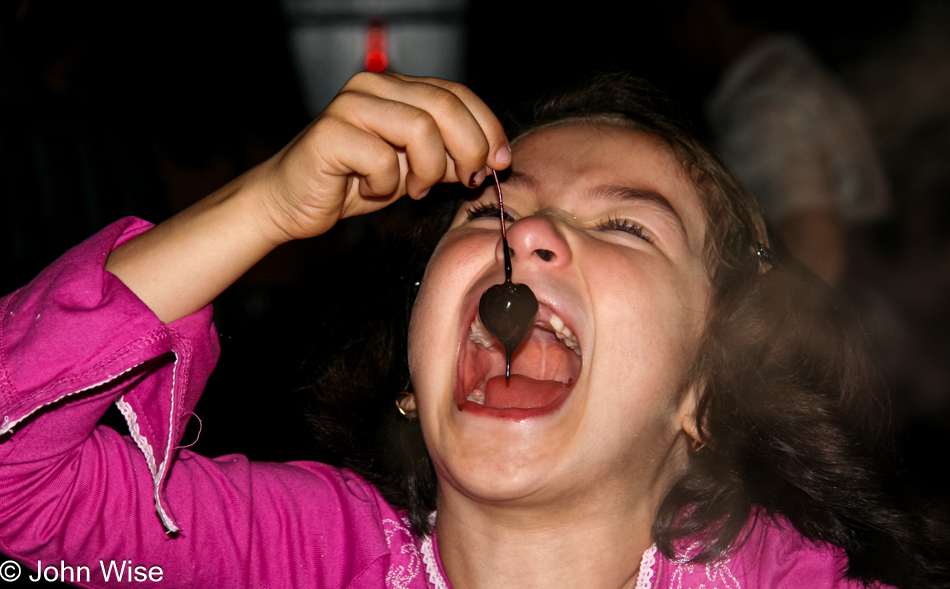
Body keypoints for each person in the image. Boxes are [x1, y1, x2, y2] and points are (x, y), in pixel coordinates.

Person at [0, 72, 943, 588]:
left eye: (624, 226)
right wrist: (266, 203)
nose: (529, 233)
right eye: (490, 215)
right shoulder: (290, 556)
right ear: (413, 373)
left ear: (705, 392)